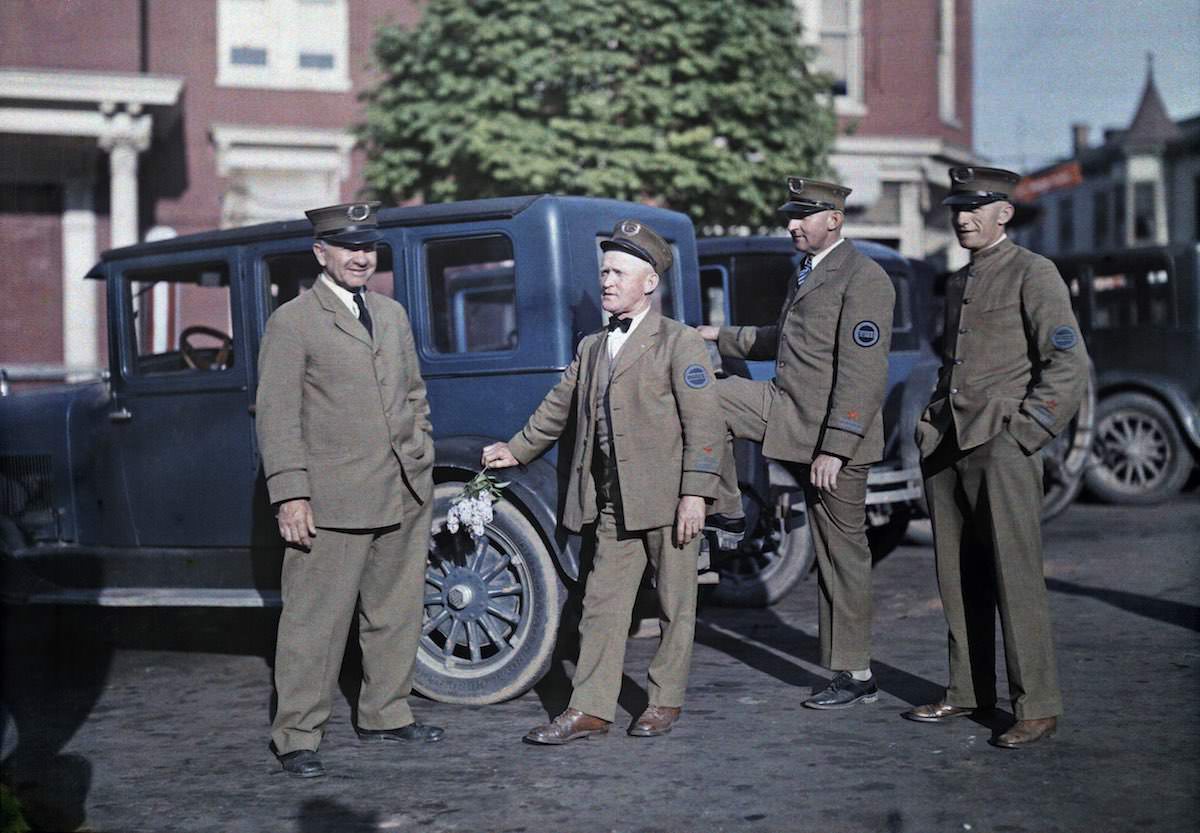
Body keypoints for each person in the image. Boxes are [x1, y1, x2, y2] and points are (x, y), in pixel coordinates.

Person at [482, 219, 729, 743]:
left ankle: (663, 701)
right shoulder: (593, 345)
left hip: (670, 498)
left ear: (650, 282)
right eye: (604, 272)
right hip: (613, 500)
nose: (607, 282)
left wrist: (695, 494)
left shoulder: (679, 343)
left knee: (674, 604)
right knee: (601, 604)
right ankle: (591, 708)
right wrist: (516, 448)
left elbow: (705, 424)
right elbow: (558, 408)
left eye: (617, 272)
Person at [902, 166, 1090, 748]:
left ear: (1004, 213)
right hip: (949, 445)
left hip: (1002, 445)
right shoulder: (959, 281)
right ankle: (968, 689)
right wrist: (931, 418)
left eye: (976, 206)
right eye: (957, 207)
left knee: (1015, 577)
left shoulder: (1035, 273)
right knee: (957, 576)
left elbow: (1068, 364)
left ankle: (1036, 704)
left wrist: (1028, 431)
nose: (962, 217)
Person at [256, 202, 443, 778]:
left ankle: (386, 714)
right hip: (331, 500)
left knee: (395, 611)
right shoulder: (294, 321)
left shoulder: (390, 314)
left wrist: (422, 453)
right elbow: (277, 414)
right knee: (316, 622)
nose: (361, 258)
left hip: (402, 489)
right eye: (348, 248)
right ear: (321, 253)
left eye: (369, 249)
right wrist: (291, 494)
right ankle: (296, 735)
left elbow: (413, 393)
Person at [698, 177, 895, 710]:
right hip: (789, 411)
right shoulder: (809, 272)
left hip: (833, 438)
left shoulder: (864, 278)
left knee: (841, 555)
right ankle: (730, 512)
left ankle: (856, 675)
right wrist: (717, 335)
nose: (791, 224)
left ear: (834, 219)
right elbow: (778, 339)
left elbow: (863, 373)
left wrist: (838, 447)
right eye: (790, 214)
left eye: (802, 215)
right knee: (709, 399)